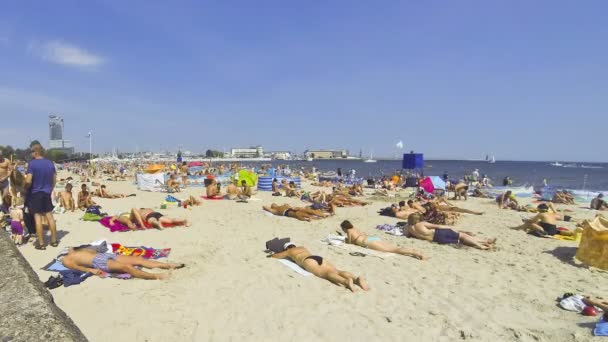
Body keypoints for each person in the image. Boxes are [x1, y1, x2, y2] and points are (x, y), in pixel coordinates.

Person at [269, 242, 368, 292]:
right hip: (318, 257)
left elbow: (275, 256)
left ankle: (345, 282)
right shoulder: (303, 247)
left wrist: (272, 254)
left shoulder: (289, 251)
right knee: (336, 270)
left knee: (325, 274)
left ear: (287, 247)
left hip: (308, 261)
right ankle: (356, 279)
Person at [61, 246, 185, 280]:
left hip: (104, 255)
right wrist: (91, 270)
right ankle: (157, 276)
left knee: (139, 260)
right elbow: (77, 267)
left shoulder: (79, 249)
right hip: (97, 262)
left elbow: (95, 250)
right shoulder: (66, 259)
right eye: (68, 249)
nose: (69, 248)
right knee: (127, 267)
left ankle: (168, 265)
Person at [24, 144, 58, 250]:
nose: (31, 154)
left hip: (36, 193)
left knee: (37, 217)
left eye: (31, 152)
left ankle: (42, 244)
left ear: (36, 152)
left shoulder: (32, 164)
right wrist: (50, 190)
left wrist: (25, 186)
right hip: (46, 192)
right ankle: (54, 241)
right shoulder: (50, 163)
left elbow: (29, 180)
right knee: (50, 217)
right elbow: (54, 180)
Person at [340, 220, 426, 259]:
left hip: (367, 242)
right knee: (392, 247)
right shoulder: (355, 228)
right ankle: (414, 251)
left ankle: (415, 253)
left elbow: (351, 243)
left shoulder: (349, 231)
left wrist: (346, 240)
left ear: (344, 228)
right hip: (372, 238)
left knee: (393, 250)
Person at [406, 214, 496, 250]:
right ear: (417, 219)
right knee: (462, 235)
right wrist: (450, 228)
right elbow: (438, 226)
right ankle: (482, 245)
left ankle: (485, 241)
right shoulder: (421, 224)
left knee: (461, 239)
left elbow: (407, 235)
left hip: (436, 239)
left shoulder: (409, 228)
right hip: (438, 233)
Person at [263, 203, 329, 221]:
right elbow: (264, 207)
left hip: (292, 209)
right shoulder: (275, 210)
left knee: (309, 210)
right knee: (301, 214)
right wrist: (269, 207)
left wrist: (292, 207)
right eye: (273, 204)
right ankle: (316, 218)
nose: (275, 204)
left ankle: (322, 215)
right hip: (287, 212)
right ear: (272, 207)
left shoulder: (283, 205)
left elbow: (290, 206)